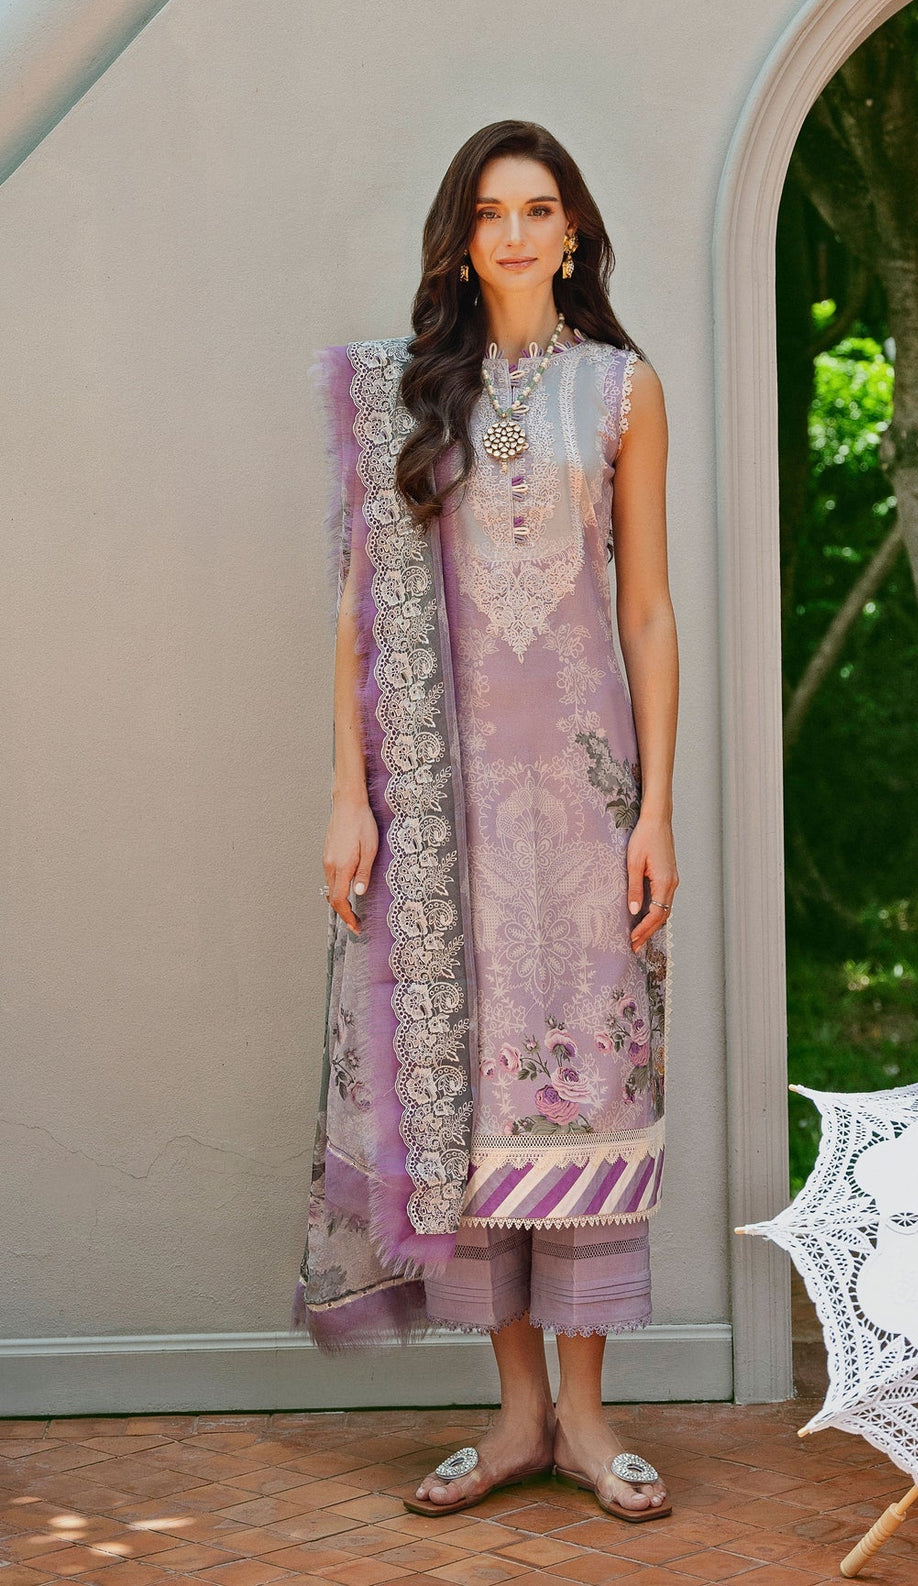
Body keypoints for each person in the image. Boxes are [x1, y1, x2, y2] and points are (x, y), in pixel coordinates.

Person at [291, 120, 679, 1524]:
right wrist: (351, 794)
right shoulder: (405, 397)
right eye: (492, 212)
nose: (515, 234)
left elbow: (647, 607)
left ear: (573, 233)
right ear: (462, 238)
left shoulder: (622, 389)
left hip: (584, 806)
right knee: (466, 1103)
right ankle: (517, 1416)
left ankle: (587, 1417)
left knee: (587, 1096)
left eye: (540, 210)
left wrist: (658, 810)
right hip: (441, 810)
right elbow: (359, 613)